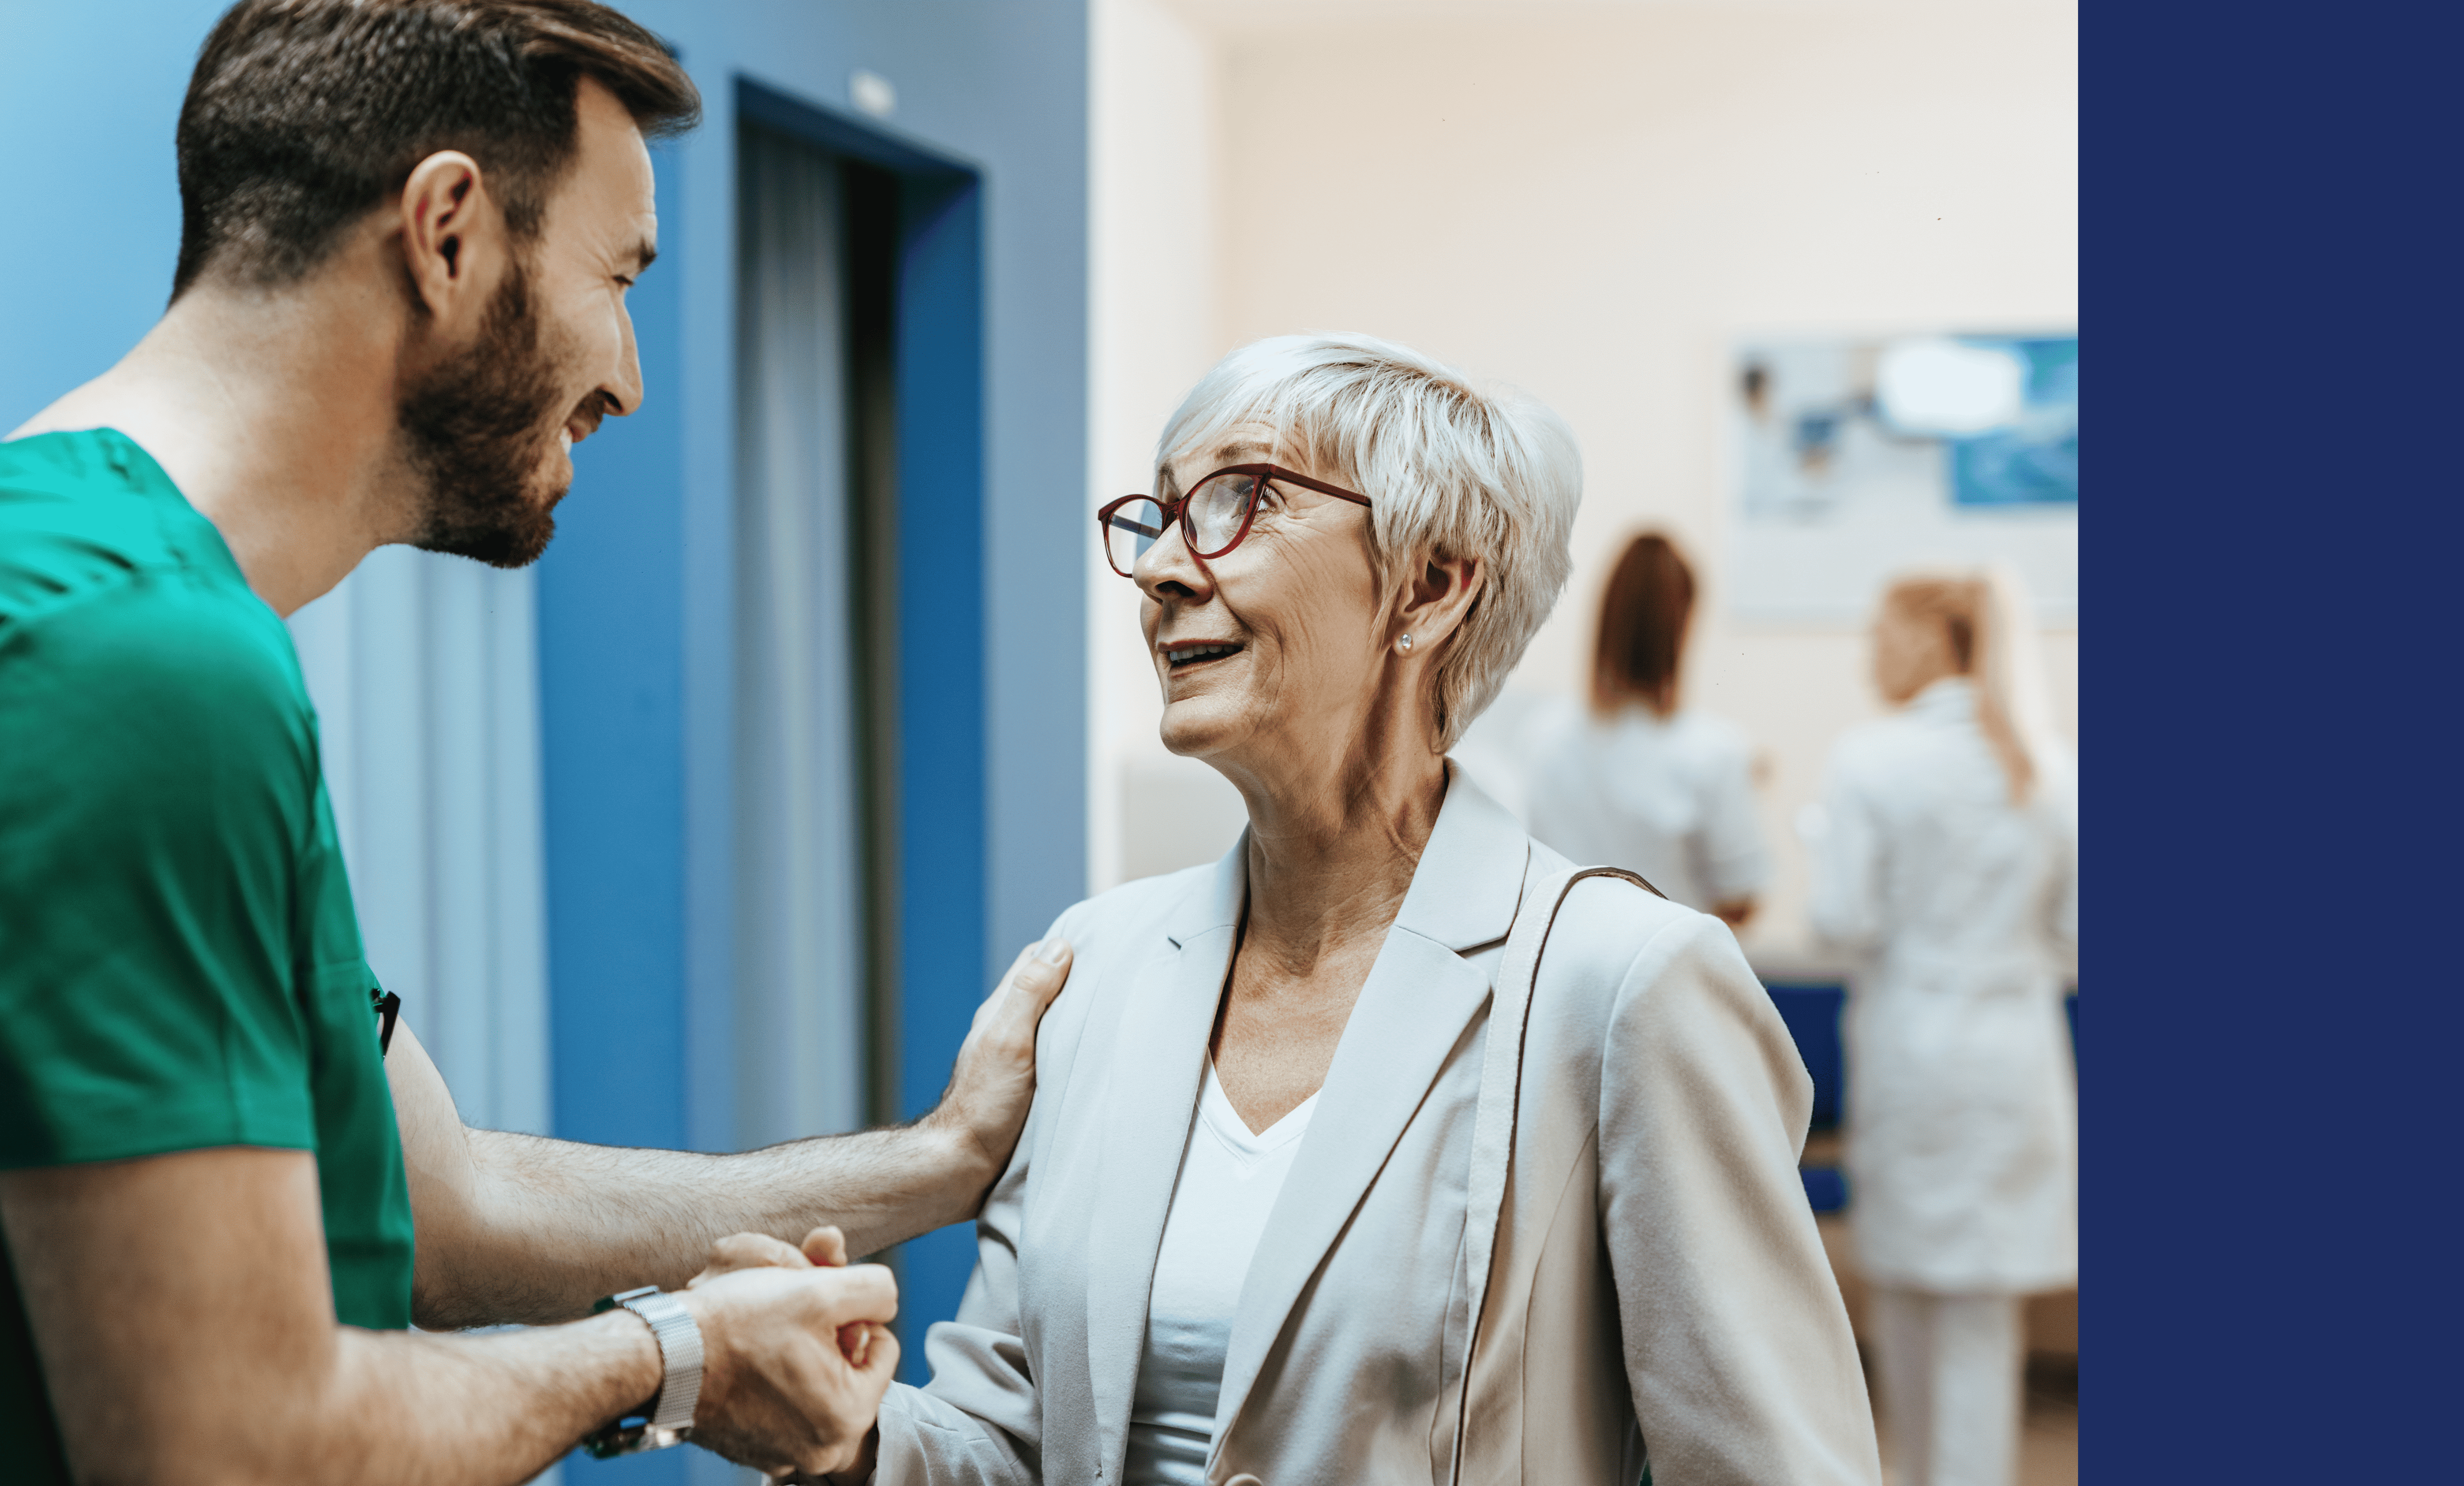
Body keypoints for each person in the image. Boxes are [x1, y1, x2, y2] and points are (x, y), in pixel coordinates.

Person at [0, 5, 1073, 1483]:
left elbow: (448, 1204)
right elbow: (234, 1444)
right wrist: (675, 1353)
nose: (628, 374)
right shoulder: (120, 663)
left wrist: (934, 1165)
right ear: (449, 232)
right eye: (618, 278)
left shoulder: (108, 603)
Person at [791, 334, 1878, 1486]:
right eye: (1157, 517)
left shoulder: (1621, 985)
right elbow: (1006, 1441)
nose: (1161, 565)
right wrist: (847, 1440)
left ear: (1430, 584)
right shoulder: (1090, 967)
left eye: (1236, 499)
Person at [1803, 567, 2078, 1486]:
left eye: (1878, 632)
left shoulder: (1870, 761)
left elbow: (1843, 922)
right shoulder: (2049, 768)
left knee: (1917, 1310)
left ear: (1927, 640)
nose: (1867, 653)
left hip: (1914, 1053)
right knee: (1974, 1318)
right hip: (2012, 1058)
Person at [1525, 531, 1774, 925]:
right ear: (1682, 626)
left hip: (1561, 971)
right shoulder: (1712, 751)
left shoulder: (1544, 737)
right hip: (1667, 972)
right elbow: (1739, 899)